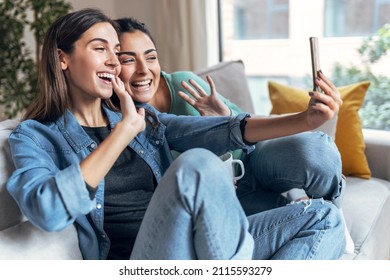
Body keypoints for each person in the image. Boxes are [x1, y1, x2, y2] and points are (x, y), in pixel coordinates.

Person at [6, 8, 345, 260]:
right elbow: (47, 209)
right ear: (62, 58)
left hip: (198, 250)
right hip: (146, 259)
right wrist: (122, 132)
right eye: (100, 49)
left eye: (114, 51)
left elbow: (226, 130)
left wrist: (306, 119)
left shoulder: (145, 117)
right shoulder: (35, 136)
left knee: (325, 218)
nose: (112, 61)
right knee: (197, 166)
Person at [114, 17, 346, 215]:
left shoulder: (183, 84)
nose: (144, 69)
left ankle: (331, 205)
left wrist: (225, 116)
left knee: (317, 152)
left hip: (253, 160)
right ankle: (306, 204)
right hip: (225, 197)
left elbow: (245, 126)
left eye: (151, 57)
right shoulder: (122, 124)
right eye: (128, 60)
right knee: (301, 217)